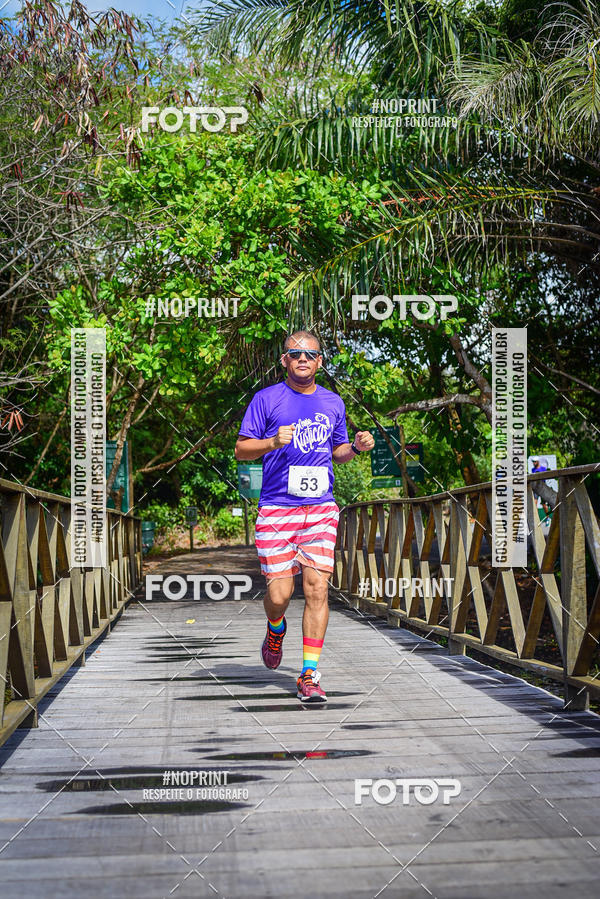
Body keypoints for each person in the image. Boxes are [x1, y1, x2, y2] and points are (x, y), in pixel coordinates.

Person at [235, 331, 375, 702]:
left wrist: (356, 449)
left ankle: (309, 674)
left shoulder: (333, 403)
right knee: (279, 594)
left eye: (309, 355)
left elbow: (338, 451)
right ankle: (275, 626)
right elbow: (241, 450)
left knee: (316, 588)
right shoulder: (266, 399)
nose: (302, 359)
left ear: (320, 362)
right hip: (277, 508)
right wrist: (271, 442)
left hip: (320, 508)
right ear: (284, 360)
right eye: (294, 353)